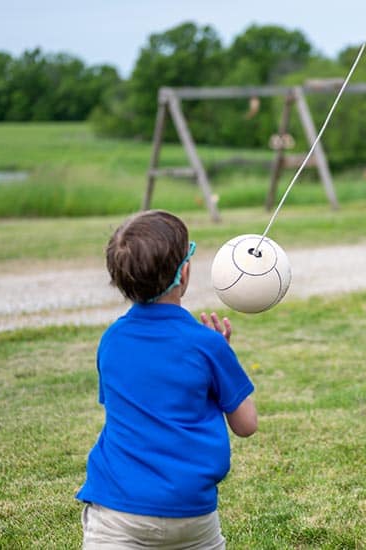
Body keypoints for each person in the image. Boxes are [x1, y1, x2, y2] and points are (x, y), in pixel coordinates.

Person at [77, 210, 257, 549]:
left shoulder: (111, 340)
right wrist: (222, 356)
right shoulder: (208, 345)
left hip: (117, 510)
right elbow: (246, 424)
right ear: (184, 273)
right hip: (191, 513)